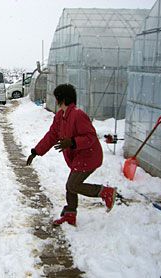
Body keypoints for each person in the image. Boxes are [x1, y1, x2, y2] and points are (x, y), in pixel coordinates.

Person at [26, 84, 116, 226]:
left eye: (56, 97)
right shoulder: (60, 117)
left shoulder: (78, 115)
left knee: (73, 185)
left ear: (61, 99)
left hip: (89, 155)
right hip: (78, 157)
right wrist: (36, 151)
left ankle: (105, 192)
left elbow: (91, 137)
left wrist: (73, 142)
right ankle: (70, 215)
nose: (55, 101)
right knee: (70, 186)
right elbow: (51, 136)